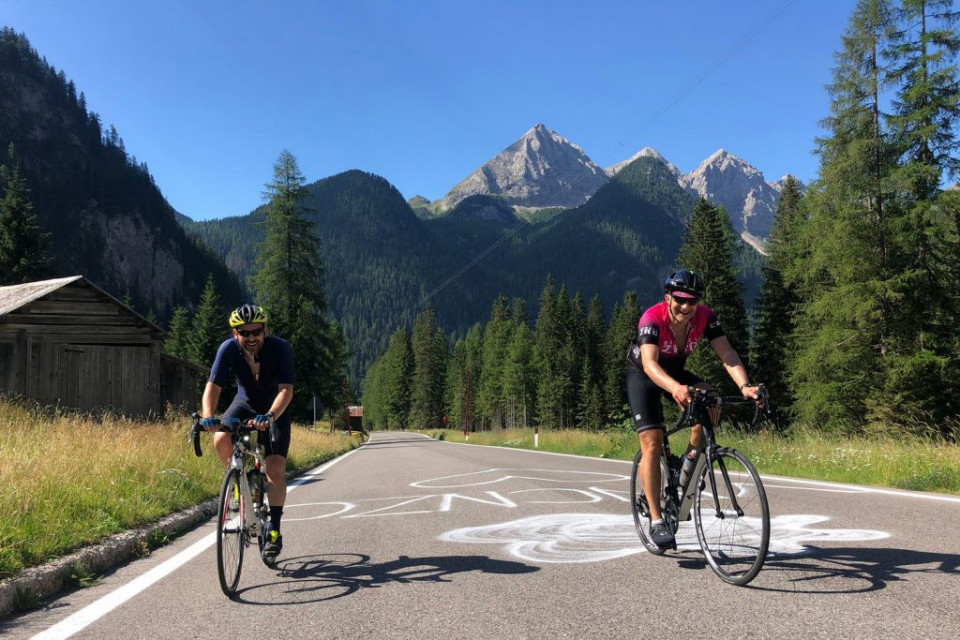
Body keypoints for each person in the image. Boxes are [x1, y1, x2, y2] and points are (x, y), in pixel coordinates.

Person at [625, 269, 762, 549]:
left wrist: (745, 385)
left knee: (711, 400)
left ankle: (688, 465)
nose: (686, 307)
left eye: (693, 301)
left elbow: (727, 353)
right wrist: (675, 388)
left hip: (676, 370)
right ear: (668, 298)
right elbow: (650, 364)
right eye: (680, 300)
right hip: (644, 376)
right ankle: (656, 520)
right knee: (652, 442)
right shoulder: (652, 319)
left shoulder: (704, 318)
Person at [200, 303, 295, 563]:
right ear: (235, 334)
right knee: (220, 436)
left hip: (275, 407)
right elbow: (213, 387)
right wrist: (208, 416)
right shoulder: (228, 349)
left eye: (256, 332)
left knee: (275, 467)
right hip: (244, 404)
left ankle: (274, 529)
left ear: (265, 331)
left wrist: (271, 416)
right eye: (245, 333)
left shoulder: (280, 348)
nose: (251, 338)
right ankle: (238, 483)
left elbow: (286, 390)